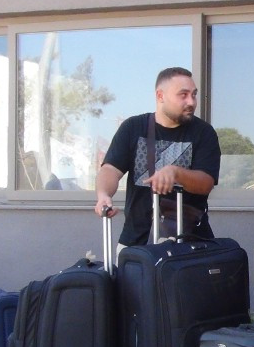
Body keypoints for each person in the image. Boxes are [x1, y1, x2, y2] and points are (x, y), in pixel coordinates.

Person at [94, 67, 221, 245]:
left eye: (194, 94)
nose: (191, 101)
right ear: (160, 96)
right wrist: (103, 195)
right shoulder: (133, 127)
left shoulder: (204, 132)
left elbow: (206, 183)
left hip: (189, 244)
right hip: (136, 243)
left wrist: (176, 173)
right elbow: (110, 169)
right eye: (183, 95)